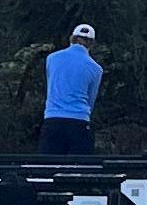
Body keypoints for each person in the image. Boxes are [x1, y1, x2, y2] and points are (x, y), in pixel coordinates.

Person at [40, 21, 102, 157]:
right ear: (91, 43)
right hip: (79, 122)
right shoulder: (96, 69)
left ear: (71, 38)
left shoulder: (52, 59)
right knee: (81, 171)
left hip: (53, 120)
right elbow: (91, 99)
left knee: (46, 168)